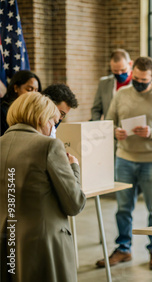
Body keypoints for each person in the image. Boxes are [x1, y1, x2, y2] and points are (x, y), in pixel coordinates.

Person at [96, 56, 152, 270]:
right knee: (123, 208)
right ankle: (123, 248)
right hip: (124, 159)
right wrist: (115, 132)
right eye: (135, 78)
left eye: (144, 79)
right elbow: (108, 122)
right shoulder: (121, 94)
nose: (139, 82)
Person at [0, 92, 86, 282]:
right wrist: (74, 167)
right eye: (53, 122)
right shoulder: (48, 146)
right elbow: (75, 203)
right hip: (44, 244)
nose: (53, 128)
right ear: (41, 118)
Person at [91, 49, 133, 121]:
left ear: (130, 64)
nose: (119, 73)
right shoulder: (104, 83)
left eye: (123, 70)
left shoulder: (137, 83)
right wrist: (97, 125)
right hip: (109, 128)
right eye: (115, 71)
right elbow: (96, 109)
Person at [0, 70, 41, 135]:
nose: (33, 94)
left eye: (36, 90)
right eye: (29, 90)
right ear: (16, 88)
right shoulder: (3, 110)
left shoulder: (34, 110)